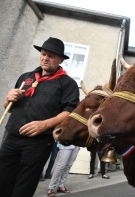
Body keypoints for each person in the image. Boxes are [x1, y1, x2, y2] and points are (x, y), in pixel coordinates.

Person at [0, 37, 80, 197]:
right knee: (2, 184)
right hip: (11, 139)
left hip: (38, 143)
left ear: (60, 60)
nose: (45, 58)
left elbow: (70, 112)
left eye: (50, 56)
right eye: (43, 54)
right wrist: (8, 100)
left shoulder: (67, 83)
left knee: (23, 189)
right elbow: (9, 109)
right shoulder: (25, 77)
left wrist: (44, 124)